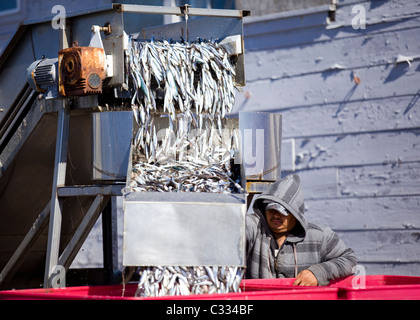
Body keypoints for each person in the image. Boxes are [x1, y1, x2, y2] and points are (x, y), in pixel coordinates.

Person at [245, 174, 357, 286]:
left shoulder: (319, 237)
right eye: (271, 209)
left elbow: (350, 260)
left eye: (282, 211)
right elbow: (236, 225)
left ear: (296, 214)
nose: (275, 216)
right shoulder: (255, 227)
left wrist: (318, 273)